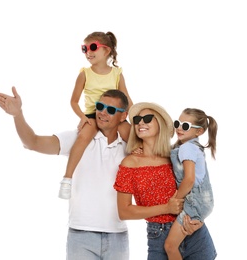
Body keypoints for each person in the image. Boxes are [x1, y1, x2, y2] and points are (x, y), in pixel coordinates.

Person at [0, 87, 131, 260]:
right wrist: (17, 115)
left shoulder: (130, 147)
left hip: (117, 236)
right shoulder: (78, 138)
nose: (103, 113)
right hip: (81, 236)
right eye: (100, 107)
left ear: (123, 116)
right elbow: (33, 142)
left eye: (110, 110)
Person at [114, 102, 217, 260]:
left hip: (193, 233)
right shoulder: (130, 163)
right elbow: (124, 212)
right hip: (159, 236)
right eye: (137, 120)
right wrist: (166, 207)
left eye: (147, 118)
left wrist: (198, 220)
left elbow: (199, 187)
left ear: (160, 123)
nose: (141, 122)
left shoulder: (175, 156)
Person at [60, 31, 133, 200]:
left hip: (114, 114)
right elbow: (73, 101)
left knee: (131, 134)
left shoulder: (117, 73)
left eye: (93, 47)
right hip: (93, 114)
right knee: (83, 137)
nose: (88, 52)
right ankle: (67, 178)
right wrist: (83, 117)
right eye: (84, 48)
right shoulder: (85, 73)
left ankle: (142, 170)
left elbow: (127, 98)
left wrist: (135, 116)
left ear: (106, 51)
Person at [164, 108, 218, 260]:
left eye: (185, 126)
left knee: (170, 246)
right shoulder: (187, 146)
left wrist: (176, 200)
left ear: (199, 132)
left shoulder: (187, 147)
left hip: (195, 201)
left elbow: (189, 180)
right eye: (177, 123)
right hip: (200, 201)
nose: (179, 128)